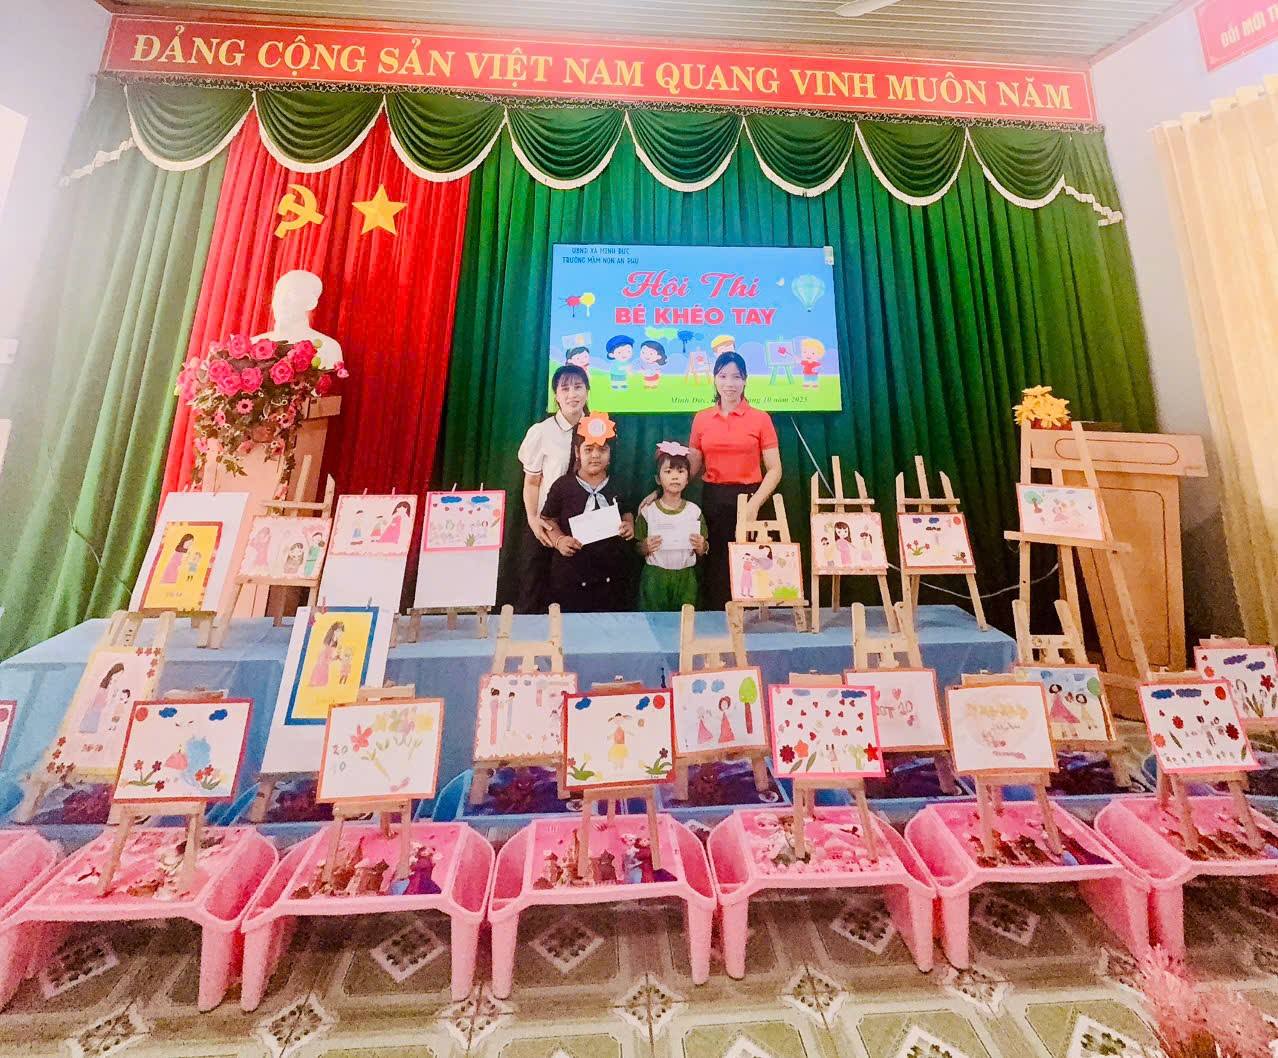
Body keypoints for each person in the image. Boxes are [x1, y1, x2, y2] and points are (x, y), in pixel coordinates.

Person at [685, 350, 782, 609]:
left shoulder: (761, 418)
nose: (729, 383)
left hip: (751, 499)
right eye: (723, 376)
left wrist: (755, 504)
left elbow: (775, 469)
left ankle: (754, 623)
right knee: (716, 565)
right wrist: (662, 491)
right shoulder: (702, 418)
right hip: (713, 499)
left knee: (752, 565)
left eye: (736, 377)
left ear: (745, 380)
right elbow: (691, 467)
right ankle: (719, 621)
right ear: (715, 379)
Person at [539, 413, 635, 613]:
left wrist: (629, 524)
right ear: (577, 452)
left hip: (611, 577)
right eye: (588, 449)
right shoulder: (562, 486)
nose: (595, 455)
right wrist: (559, 541)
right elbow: (548, 519)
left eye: (602, 449)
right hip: (571, 576)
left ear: (610, 454)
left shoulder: (620, 483)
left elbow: (627, 511)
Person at [516, 364, 590, 612]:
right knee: (534, 591)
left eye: (578, 387)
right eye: (565, 388)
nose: (572, 394)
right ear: (556, 395)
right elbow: (532, 481)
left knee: (574, 596)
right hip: (546, 524)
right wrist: (533, 519)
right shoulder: (542, 432)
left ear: (587, 391)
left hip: (582, 525)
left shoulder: (597, 429)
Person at [634, 442, 707, 611]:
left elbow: (703, 548)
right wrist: (645, 546)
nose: (675, 476)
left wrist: (701, 546)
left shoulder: (694, 511)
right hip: (655, 577)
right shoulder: (648, 511)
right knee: (654, 619)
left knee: (685, 619)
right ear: (658, 479)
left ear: (687, 478)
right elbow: (637, 546)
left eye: (680, 471)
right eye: (668, 471)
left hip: (686, 577)